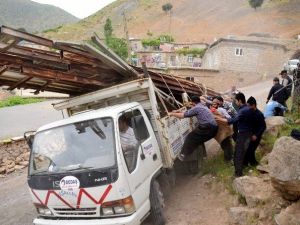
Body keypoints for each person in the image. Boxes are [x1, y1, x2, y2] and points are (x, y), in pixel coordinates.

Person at [216, 92, 254, 177]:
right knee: (245, 151)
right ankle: (246, 165)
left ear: (239, 100)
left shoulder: (243, 111)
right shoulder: (247, 108)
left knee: (238, 155)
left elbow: (231, 121)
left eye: (236, 101)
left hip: (244, 134)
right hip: (248, 133)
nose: (235, 103)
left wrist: (218, 119)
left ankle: (238, 175)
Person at [168, 96, 218, 161]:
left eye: (191, 104)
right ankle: (203, 155)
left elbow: (182, 115)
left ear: (193, 103)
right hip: (215, 128)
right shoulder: (203, 106)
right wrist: (177, 111)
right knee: (199, 140)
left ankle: (183, 155)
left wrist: (171, 113)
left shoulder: (196, 108)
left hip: (207, 128)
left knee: (190, 137)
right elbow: (189, 110)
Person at [244, 97, 266, 167]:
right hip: (248, 134)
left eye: (249, 106)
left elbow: (263, 126)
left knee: (250, 150)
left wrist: (256, 135)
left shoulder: (259, 114)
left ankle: (252, 164)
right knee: (247, 150)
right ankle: (247, 164)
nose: (247, 107)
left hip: (256, 136)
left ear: (253, 105)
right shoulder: (248, 112)